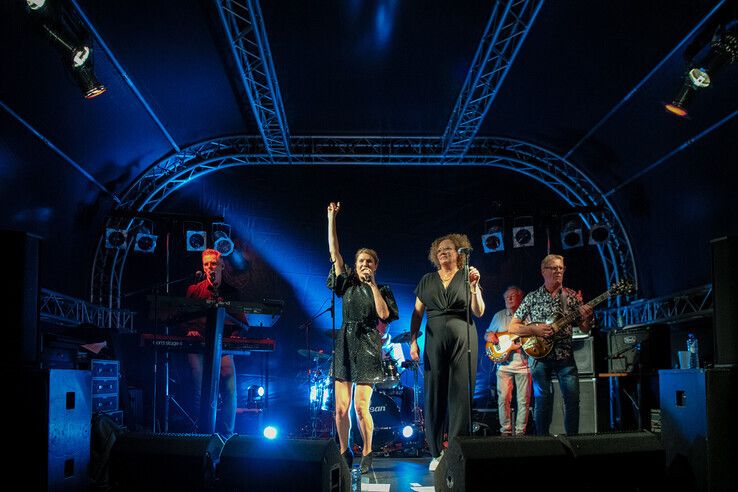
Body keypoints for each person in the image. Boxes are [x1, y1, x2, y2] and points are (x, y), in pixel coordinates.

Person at [327, 202, 399, 474]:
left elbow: (383, 315)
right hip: (345, 343)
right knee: (340, 409)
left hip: (368, 346)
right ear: (354, 266)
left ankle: (367, 449)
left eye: (369, 261)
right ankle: (344, 451)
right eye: (360, 262)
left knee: (360, 408)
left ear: (376, 265)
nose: (364, 265)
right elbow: (335, 253)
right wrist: (331, 218)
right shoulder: (345, 284)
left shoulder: (383, 289)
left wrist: (372, 285)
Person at [409, 234, 485, 472]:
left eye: (449, 249)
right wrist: (413, 340)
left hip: (464, 338)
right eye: (440, 249)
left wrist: (474, 287)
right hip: (433, 340)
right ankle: (435, 452)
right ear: (435, 254)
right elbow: (417, 313)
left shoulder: (467, 276)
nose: (444, 252)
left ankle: (455, 450)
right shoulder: (427, 280)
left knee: (460, 394)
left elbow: (479, 311)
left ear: (459, 253)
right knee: (434, 393)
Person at [508, 254, 593, 436]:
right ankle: (543, 443)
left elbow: (585, 329)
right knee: (542, 401)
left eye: (561, 268)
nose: (558, 271)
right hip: (539, 358)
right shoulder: (532, 298)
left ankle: (573, 442)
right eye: (553, 268)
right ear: (543, 271)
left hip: (565, 357)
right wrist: (535, 330)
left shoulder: (571, 297)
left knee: (572, 400)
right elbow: (512, 327)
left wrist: (588, 317)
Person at [184, 248, 239, 436]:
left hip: (223, 344)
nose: (209, 267)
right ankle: (202, 435)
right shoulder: (194, 290)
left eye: (213, 264)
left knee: (230, 390)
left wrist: (234, 335)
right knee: (201, 390)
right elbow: (182, 316)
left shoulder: (232, 292)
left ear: (222, 266)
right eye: (206, 264)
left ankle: (227, 435)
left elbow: (243, 321)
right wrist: (189, 329)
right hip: (198, 344)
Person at [485, 286, 531, 436]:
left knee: (523, 401)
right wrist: (490, 336)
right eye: (506, 297)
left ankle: (520, 432)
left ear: (520, 298)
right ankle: (505, 431)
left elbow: (535, 338)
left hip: (524, 365)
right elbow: (487, 334)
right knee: (503, 399)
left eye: (512, 296)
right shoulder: (498, 316)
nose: (508, 299)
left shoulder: (528, 317)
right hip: (503, 366)